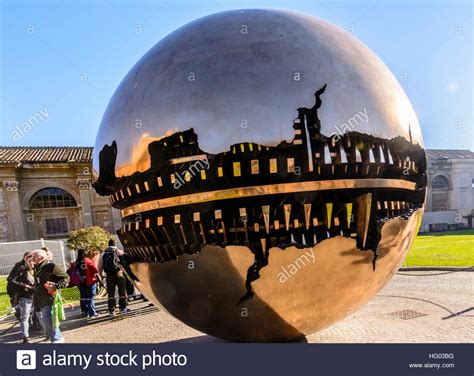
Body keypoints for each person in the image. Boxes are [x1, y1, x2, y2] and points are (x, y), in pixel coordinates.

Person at [32, 249, 69, 343]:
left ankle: (57, 338)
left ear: (41, 257)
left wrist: (55, 286)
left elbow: (66, 278)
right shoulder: (37, 268)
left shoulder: (52, 266)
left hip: (50, 298)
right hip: (40, 299)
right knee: (45, 319)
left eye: (34, 256)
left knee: (48, 318)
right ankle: (54, 337)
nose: (32, 258)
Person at [7, 252, 35, 343]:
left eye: (32, 260)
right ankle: (25, 337)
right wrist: (23, 286)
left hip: (37, 295)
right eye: (28, 260)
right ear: (25, 259)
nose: (31, 262)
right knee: (24, 316)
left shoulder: (38, 268)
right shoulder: (20, 268)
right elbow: (11, 279)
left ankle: (47, 331)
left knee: (40, 315)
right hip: (25, 295)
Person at [98, 240, 128, 316]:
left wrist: (101, 275)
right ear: (115, 244)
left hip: (109, 275)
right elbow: (125, 263)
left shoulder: (103, 253)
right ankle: (123, 308)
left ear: (108, 245)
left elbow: (100, 266)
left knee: (111, 293)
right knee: (122, 291)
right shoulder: (119, 251)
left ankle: (112, 310)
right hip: (119, 273)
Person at [67, 249, 99, 318]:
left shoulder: (75, 263)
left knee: (83, 297)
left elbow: (68, 272)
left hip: (80, 283)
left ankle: (85, 312)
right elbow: (95, 270)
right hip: (90, 282)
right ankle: (92, 313)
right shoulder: (88, 261)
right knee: (90, 297)